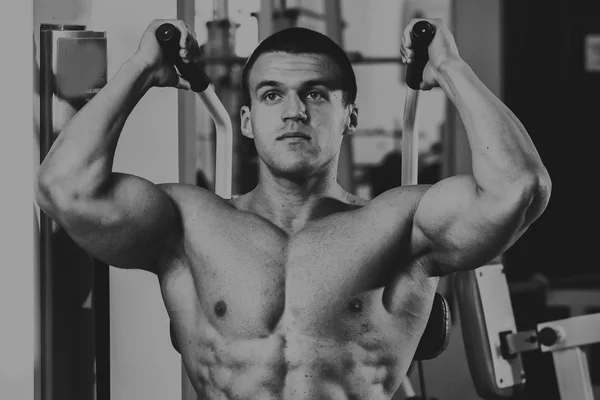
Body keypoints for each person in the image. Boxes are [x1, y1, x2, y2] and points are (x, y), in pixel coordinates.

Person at [35, 17, 552, 399]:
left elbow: (518, 187)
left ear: (350, 116)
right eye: (272, 95)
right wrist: (141, 68)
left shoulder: (400, 225)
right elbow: (65, 189)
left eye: (317, 94)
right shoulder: (188, 223)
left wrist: (449, 67)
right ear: (244, 120)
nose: (294, 111)